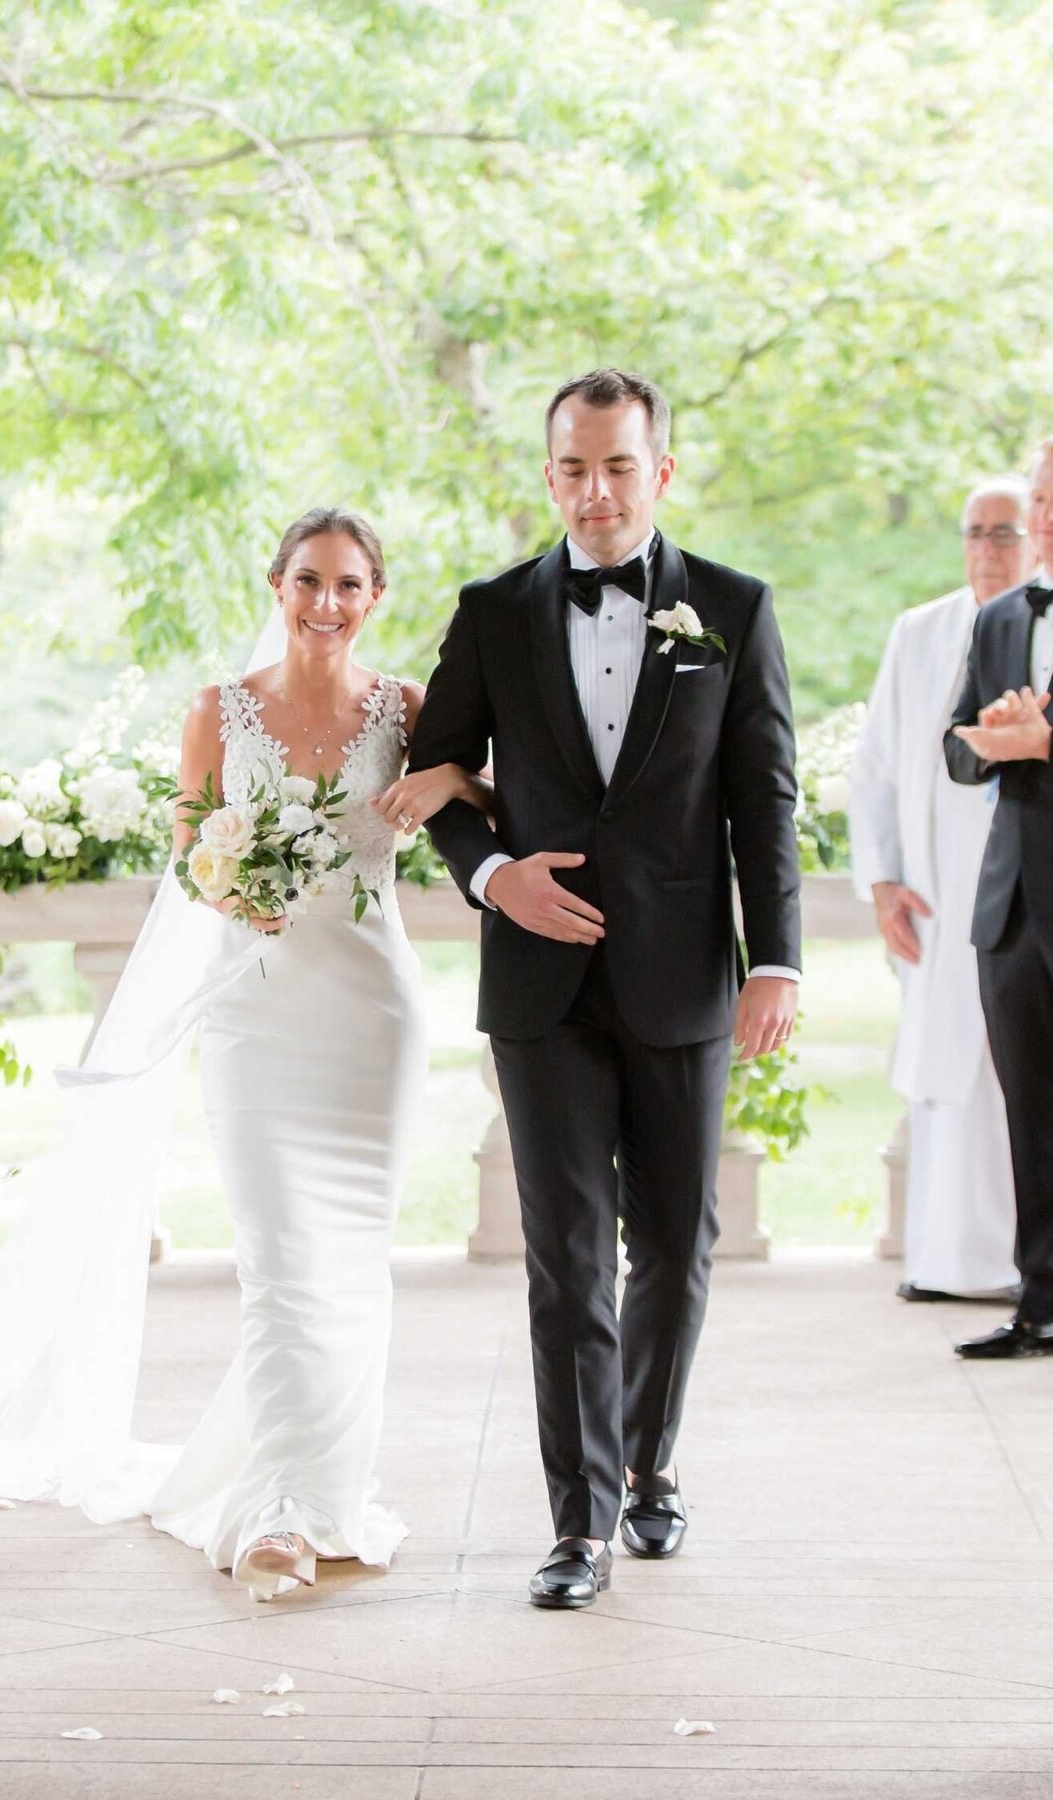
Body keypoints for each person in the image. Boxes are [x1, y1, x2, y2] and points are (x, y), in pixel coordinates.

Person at [0, 508, 487, 1601]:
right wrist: (231, 876)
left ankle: (323, 1491)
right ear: (276, 585)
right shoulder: (219, 710)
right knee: (279, 1258)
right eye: (307, 581)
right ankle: (274, 1512)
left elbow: (490, 802)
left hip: (372, 1012)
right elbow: (191, 847)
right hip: (255, 1010)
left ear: (375, 596)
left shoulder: (410, 710)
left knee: (349, 1264)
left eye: (347, 585)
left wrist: (453, 782)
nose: (325, 603)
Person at [408, 369, 801, 1609]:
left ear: (661, 472)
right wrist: (493, 878)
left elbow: (764, 800)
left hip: (684, 977)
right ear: (549, 475)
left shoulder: (734, 609)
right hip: (540, 987)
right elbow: (435, 783)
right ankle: (576, 1524)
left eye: (618, 466)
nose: (595, 491)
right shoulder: (491, 612)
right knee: (565, 1259)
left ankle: (651, 1466)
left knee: (677, 1243)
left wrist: (777, 956)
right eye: (573, 468)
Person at [850, 477, 1034, 1303]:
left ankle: (1018, 1266)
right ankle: (948, 1261)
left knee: (1014, 1075)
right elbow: (880, 765)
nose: (987, 551)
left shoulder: (1039, 625)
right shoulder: (920, 630)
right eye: (974, 534)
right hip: (932, 895)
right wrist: (883, 881)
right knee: (943, 1074)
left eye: (1005, 533)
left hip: (1020, 890)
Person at [944, 439, 1053, 1359]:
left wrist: (1043, 743)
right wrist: (994, 739)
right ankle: (1041, 1304)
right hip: (1013, 908)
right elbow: (954, 744)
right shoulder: (1003, 616)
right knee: (1033, 1115)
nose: (1046, 516)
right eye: (1044, 498)